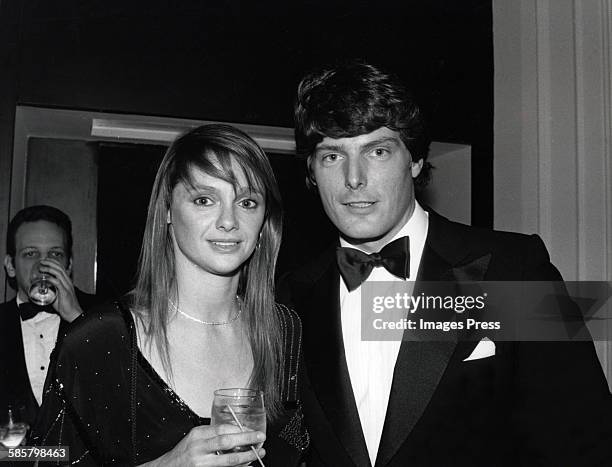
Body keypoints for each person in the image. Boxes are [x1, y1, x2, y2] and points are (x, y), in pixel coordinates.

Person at [279, 60, 612, 466]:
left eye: (378, 151)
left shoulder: (510, 269)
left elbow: (585, 442)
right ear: (311, 170)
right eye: (332, 156)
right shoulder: (292, 296)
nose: (354, 178)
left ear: (415, 161)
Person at [32, 125, 308, 466]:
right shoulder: (99, 340)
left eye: (247, 202)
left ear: (264, 222)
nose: (228, 220)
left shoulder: (286, 332)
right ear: (167, 211)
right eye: (205, 200)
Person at [0, 205, 97, 429]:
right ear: (10, 266)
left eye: (55, 254)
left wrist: (77, 319)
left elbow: (121, 395)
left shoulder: (103, 315)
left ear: (69, 265)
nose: (43, 266)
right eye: (30, 254)